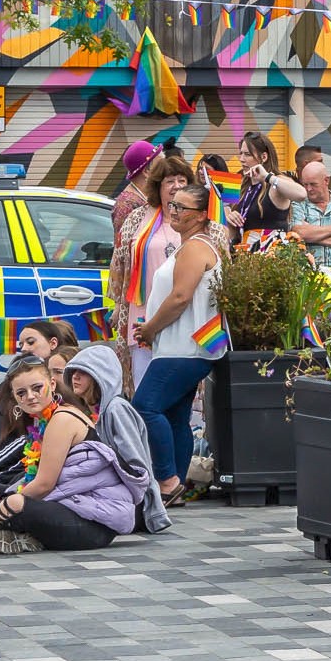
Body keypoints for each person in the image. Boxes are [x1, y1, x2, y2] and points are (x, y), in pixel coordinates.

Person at [0, 355, 137, 554]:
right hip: (69, 505)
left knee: (14, 502)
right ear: (14, 398)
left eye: (37, 388)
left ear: (53, 384)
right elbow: (33, 478)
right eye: (21, 393)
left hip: (93, 523)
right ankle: (20, 537)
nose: (30, 396)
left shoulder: (62, 420)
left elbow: (44, 485)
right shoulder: (43, 421)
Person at [132, 184, 224, 506]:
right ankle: (177, 484)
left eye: (182, 208)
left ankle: (168, 481)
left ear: (200, 216)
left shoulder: (196, 248)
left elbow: (181, 297)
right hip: (184, 347)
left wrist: (150, 329)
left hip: (183, 348)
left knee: (144, 406)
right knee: (174, 417)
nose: (174, 211)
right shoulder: (191, 246)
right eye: (172, 205)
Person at [60, 348, 169, 534]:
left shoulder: (116, 409)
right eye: (73, 372)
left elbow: (136, 465)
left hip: (130, 501)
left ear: (101, 375)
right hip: (110, 491)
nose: (75, 377)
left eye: (83, 372)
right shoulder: (93, 410)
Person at [109, 154, 193, 387]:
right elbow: (119, 262)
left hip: (186, 315)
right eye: (170, 181)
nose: (176, 186)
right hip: (144, 315)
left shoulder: (200, 218)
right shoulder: (137, 218)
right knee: (146, 390)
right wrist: (118, 303)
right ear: (158, 186)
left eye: (182, 180)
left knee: (181, 391)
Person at [229, 131, 300, 236]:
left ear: (264, 157)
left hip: (272, 249)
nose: (241, 159)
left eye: (247, 154)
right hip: (244, 249)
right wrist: (230, 216)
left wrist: (268, 177)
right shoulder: (243, 184)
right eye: (241, 153)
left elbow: (301, 194)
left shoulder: (276, 181)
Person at [112, 140, 165, 246]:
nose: (166, 170)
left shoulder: (147, 196)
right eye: (160, 166)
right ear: (146, 172)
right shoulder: (126, 204)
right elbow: (123, 250)